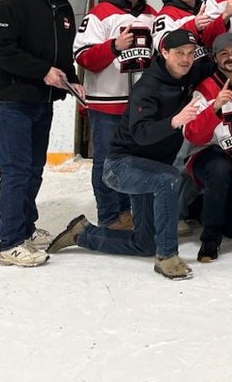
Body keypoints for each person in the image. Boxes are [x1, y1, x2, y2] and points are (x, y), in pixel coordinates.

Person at [47, 29, 207, 281]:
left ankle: (83, 234)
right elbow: (141, 134)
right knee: (169, 178)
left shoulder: (188, 73)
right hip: (121, 167)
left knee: (145, 243)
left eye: (189, 54)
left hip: (150, 167)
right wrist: (175, 121)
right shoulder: (148, 87)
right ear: (164, 53)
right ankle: (167, 256)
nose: (185, 59)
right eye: (178, 54)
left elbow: (219, 64)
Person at [0, 0, 78, 266]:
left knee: (34, 170)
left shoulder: (63, 7)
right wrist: (42, 72)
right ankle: (10, 242)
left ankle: (25, 227)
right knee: (16, 172)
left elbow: (62, 52)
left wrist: (72, 78)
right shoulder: (14, 1)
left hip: (43, 100)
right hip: (13, 101)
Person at [74, 0, 158, 229]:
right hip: (107, 105)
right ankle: (110, 216)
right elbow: (84, 57)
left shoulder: (152, 15)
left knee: (134, 163)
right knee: (107, 162)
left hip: (140, 107)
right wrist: (114, 46)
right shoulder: (100, 14)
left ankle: (126, 212)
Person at [182, 32, 232, 262]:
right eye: (224, 54)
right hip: (210, 154)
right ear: (215, 59)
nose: (231, 57)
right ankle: (210, 240)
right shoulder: (205, 89)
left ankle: (202, 207)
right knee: (218, 169)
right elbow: (193, 133)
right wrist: (214, 108)